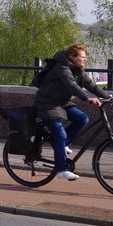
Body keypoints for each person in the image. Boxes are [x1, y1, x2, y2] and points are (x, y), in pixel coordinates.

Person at [31, 42, 103, 181]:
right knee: (60, 134)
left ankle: (62, 144)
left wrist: (108, 96)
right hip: (47, 104)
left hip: (61, 103)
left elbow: (91, 85)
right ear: (72, 57)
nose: (85, 59)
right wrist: (87, 98)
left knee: (82, 118)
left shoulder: (78, 69)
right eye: (82, 57)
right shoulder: (62, 67)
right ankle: (61, 170)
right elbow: (71, 85)